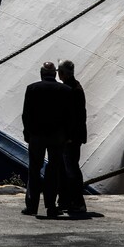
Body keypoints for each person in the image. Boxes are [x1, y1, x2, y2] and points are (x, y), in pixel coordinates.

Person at [21, 61, 71, 217]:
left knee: (34, 170)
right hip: (57, 136)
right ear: (55, 74)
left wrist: (27, 133)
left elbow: (26, 114)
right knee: (53, 171)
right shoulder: (66, 90)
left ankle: (32, 206)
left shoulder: (32, 88)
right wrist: (67, 136)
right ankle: (51, 206)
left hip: (37, 135)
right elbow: (69, 117)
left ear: (42, 74)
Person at [57, 60, 87, 213]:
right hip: (73, 137)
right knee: (67, 169)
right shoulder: (75, 87)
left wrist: (69, 136)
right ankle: (66, 201)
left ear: (62, 73)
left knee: (71, 169)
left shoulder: (71, 90)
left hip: (70, 138)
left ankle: (77, 201)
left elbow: (73, 117)